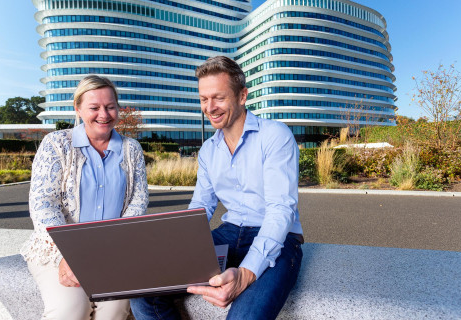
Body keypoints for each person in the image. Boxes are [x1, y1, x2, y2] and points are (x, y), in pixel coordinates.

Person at [130, 56, 303, 320]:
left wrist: (245, 274)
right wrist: (172, 247)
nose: (209, 108)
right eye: (203, 99)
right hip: (229, 233)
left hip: (279, 238)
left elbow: (281, 209)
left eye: (218, 98)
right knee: (144, 291)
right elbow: (201, 207)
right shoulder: (209, 150)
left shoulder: (275, 136)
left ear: (242, 96)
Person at [21, 75, 149, 320]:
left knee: (115, 310)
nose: (104, 114)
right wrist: (68, 254)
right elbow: (43, 203)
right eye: (94, 107)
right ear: (78, 109)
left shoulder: (131, 149)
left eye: (111, 106)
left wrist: (113, 246)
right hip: (58, 250)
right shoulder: (56, 144)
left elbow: (138, 201)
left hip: (113, 249)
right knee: (71, 310)